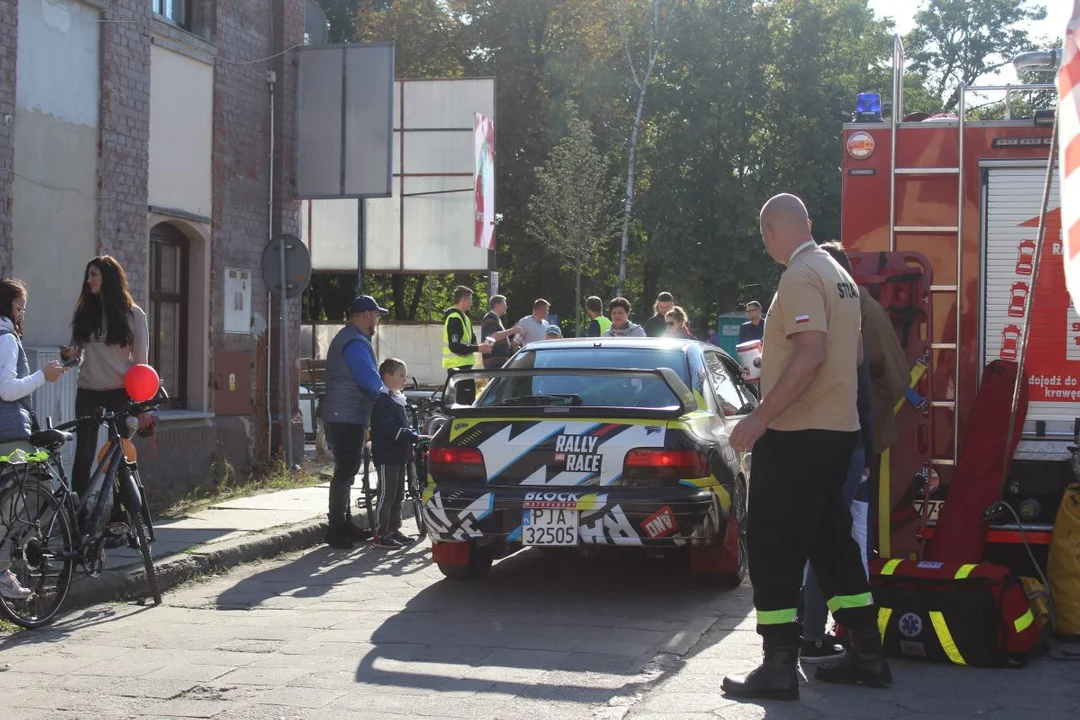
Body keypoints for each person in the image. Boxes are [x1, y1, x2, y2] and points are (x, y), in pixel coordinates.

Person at [722, 194, 890, 701]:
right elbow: (849, 352)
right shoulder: (840, 277)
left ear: (771, 231)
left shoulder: (798, 277)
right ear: (808, 224)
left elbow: (811, 353)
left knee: (773, 545)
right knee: (831, 542)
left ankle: (777, 664)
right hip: (839, 432)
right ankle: (866, 652)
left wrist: (759, 416)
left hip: (797, 436)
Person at [799, 243, 876, 659]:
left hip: (842, 448)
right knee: (832, 543)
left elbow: (858, 391)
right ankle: (826, 634)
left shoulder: (835, 322)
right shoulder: (849, 320)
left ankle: (816, 634)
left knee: (827, 543)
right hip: (848, 449)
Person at [60, 256, 150, 534]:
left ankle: (119, 518)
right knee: (84, 456)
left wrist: (142, 406)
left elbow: (142, 365)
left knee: (120, 457)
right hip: (88, 392)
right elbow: (75, 358)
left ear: (108, 278)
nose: (89, 281)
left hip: (120, 395)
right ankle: (79, 518)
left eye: (94, 275)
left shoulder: (134, 315)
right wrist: (68, 357)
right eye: (88, 275)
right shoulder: (85, 313)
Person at [0, 279, 67, 600]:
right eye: (18, 308)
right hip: (10, 434)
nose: (22, 315)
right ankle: (3, 570)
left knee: (18, 493)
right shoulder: (6, 339)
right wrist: (44, 376)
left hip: (8, 433)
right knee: (21, 496)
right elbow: (7, 389)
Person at [322, 295, 388, 550]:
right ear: (366, 316)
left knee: (347, 471)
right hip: (345, 415)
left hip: (346, 414)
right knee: (345, 472)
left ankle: (344, 523)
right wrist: (387, 398)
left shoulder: (351, 338)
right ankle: (336, 529)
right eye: (376, 315)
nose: (377, 320)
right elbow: (369, 379)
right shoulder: (354, 342)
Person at [370, 358, 428, 550]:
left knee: (397, 495)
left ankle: (393, 529)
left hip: (399, 455)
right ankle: (380, 533)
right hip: (387, 455)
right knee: (386, 494)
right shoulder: (383, 401)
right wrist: (414, 436)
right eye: (401, 375)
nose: (405, 379)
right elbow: (391, 429)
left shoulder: (396, 399)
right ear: (388, 377)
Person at [443, 286, 492, 406]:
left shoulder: (465, 318)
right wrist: (477, 348)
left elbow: (472, 341)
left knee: (469, 401)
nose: (472, 303)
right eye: (470, 300)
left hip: (465, 367)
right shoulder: (455, 319)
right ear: (464, 299)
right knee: (462, 403)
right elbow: (454, 346)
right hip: (458, 367)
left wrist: (482, 347)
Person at [480, 295, 521, 370]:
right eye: (504, 304)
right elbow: (492, 337)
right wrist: (512, 330)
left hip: (497, 362)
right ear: (497, 305)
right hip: (494, 363)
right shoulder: (490, 317)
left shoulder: (496, 318)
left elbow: (496, 339)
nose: (506, 307)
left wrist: (510, 345)